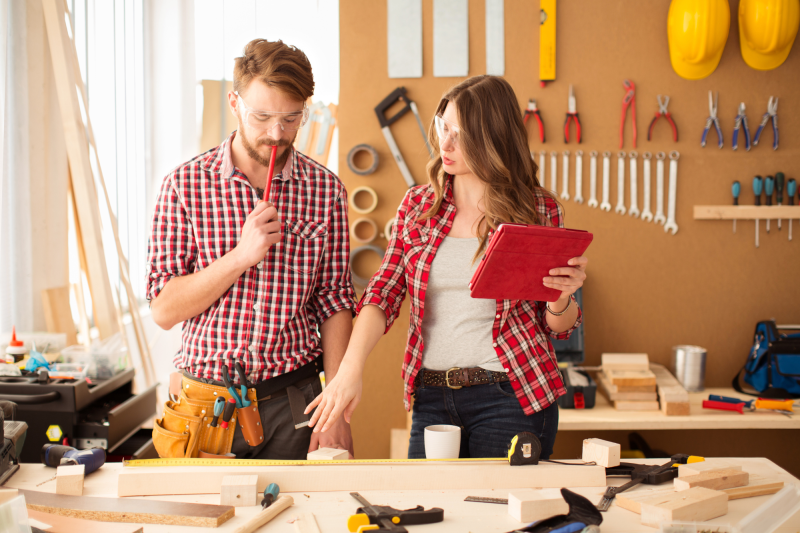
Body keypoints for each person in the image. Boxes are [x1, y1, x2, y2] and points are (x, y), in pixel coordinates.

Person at [305, 75, 588, 459]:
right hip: (433, 397)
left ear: (493, 137)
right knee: (432, 512)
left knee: (499, 517)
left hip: (513, 394)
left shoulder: (536, 211)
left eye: (462, 134)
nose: (446, 144)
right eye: (444, 128)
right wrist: (348, 370)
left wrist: (561, 296)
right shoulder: (418, 207)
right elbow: (383, 293)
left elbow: (557, 322)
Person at [146, 39, 356, 460]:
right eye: (262, 116)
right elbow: (164, 310)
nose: (276, 133)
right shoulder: (184, 186)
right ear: (235, 103)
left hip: (298, 402)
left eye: (291, 118)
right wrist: (241, 255)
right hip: (205, 406)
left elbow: (334, 302)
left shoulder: (325, 190)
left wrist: (336, 410)